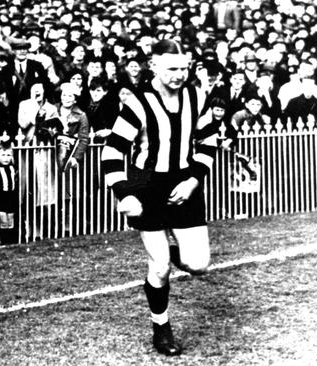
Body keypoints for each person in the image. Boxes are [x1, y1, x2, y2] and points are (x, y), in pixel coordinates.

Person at [101, 39, 218, 357]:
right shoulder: (139, 102)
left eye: (185, 68)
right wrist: (123, 193)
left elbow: (209, 142)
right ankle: (161, 328)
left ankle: (174, 248)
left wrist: (194, 179)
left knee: (199, 264)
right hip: (147, 186)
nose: (180, 74)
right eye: (172, 68)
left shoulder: (197, 96)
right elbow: (112, 152)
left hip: (184, 184)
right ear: (154, 66)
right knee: (160, 267)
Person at [0, 142, 19, 244]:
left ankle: (11, 243)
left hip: (11, 196)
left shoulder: (14, 168)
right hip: (0, 197)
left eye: (8, 155)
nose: (6, 158)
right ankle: (4, 243)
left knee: (11, 220)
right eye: (3, 155)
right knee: (3, 221)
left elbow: (16, 182)